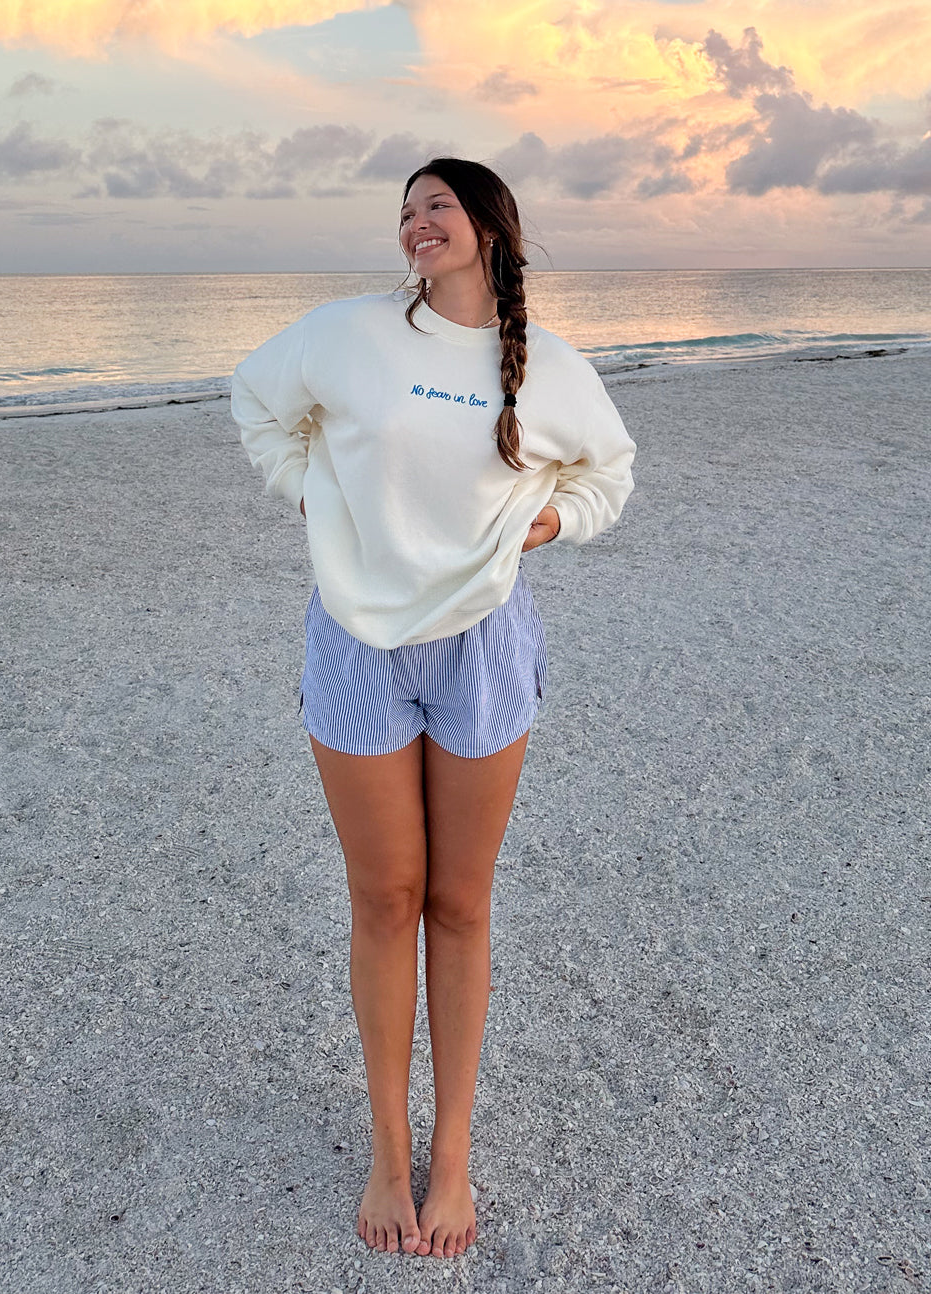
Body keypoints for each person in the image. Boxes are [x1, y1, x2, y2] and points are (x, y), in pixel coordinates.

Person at [230, 157, 636, 1260]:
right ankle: (385, 1145)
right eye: (406, 209)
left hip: (482, 649)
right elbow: (255, 397)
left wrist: (549, 525)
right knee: (384, 897)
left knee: (458, 903)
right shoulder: (349, 333)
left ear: (491, 226)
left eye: (437, 204)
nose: (416, 221)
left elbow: (608, 474)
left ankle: (450, 1151)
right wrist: (307, 491)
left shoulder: (549, 366)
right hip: (358, 643)